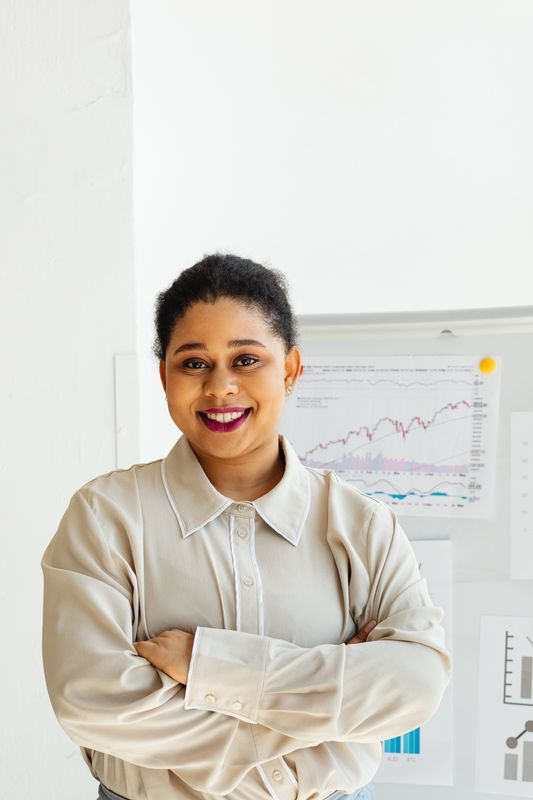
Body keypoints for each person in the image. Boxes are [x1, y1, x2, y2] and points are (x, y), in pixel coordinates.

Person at [41, 253, 452, 800]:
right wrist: (323, 715)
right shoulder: (105, 517)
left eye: (247, 360)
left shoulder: (362, 524)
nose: (220, 387)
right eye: (193, 364)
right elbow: (91, 702)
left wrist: (211, 670)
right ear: (164, 376)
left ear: (290, 370)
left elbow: (417, 685)